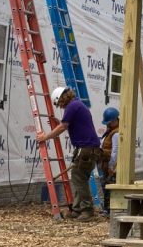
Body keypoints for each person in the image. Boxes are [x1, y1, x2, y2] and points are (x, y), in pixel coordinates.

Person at [36, 86, 102, 220]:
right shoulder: (77, 105)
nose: (60, 106)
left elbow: (63, 126)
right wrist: (59, 123)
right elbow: (69, 125)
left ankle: (87, 211)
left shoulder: (72, 106)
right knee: (78, 178)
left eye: (59, 103)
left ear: (62, 98)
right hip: (88, 148)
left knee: (79, 178)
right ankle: (77, 210)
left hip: (86, 148)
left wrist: (46, 137)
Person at [98, 107, 120, 217]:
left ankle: (108, 210)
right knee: (105, 186)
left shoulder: (116, 133)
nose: (107, 125)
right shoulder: (110, 131)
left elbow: (115, 151)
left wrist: (111, 166)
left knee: (108, 187)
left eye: (109, 122)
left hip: (110, 166)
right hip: (105, 164)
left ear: (114, 120)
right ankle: (107, 209)